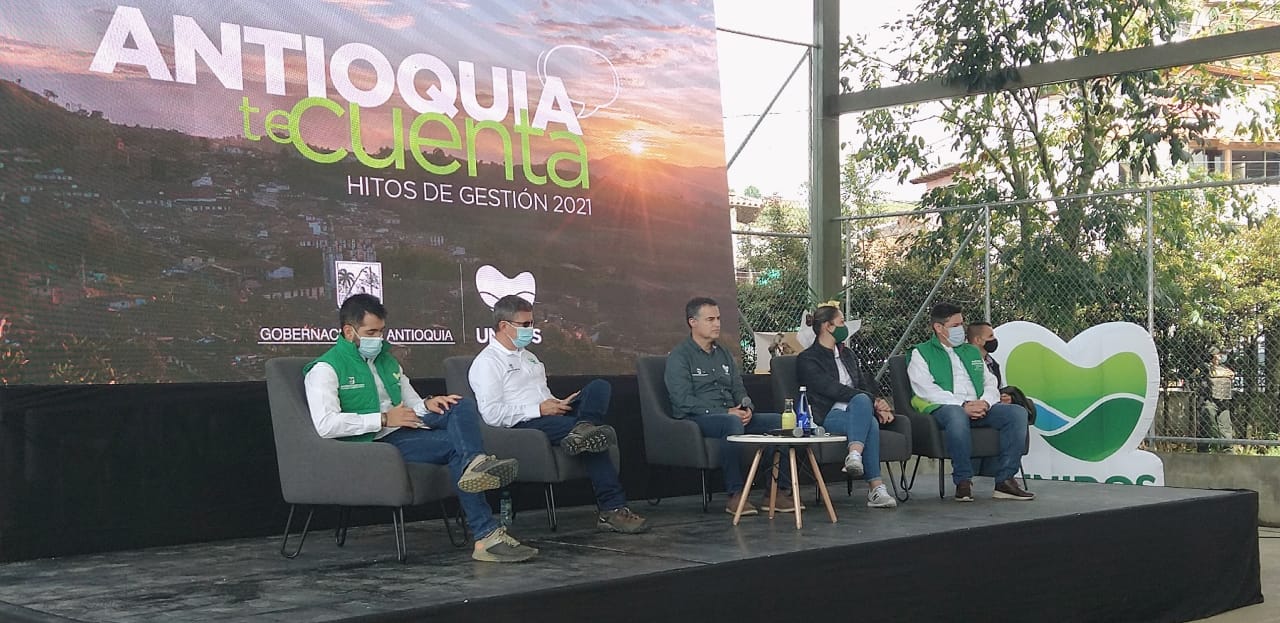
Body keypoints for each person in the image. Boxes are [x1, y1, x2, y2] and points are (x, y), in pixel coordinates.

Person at [304, 294, 538, 562]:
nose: (378, 339)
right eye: (371, 333)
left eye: (381, 331)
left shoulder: (387, 362)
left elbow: (413, 404)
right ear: (349, 332)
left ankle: (475, 464)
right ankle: (486, 536)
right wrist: (383, 419)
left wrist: (428, 404)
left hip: (407, 426)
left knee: (459, 405)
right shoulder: (325, 369)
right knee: (458, 450)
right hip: (375, 442)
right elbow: (326, 424)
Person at [469, 295, 648, 534]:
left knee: (599, 387)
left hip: (550, 414)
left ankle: (583, 427)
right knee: (594, 438)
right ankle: (612, 508)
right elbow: (492, 414)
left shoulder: (529, 357)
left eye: (532, 323)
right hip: (525, 426)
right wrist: (539, 409)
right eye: (525, 325)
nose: (531, 329)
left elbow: (541, 394)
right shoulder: (487, 362)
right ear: (504, 326)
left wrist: (558, 402)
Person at [665, 297, 797, 516]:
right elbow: (683, 400)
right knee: (731, 423)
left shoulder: (724, 354)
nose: (717, 324)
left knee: (779, 421)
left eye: (718, 318)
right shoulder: (680, 356)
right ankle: (735, 495)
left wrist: (747, 408)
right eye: (710, 319)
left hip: (731, 414)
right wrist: (726, 412)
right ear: (692, 322)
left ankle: (776, 492)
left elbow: (739, 389)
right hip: (696, 419)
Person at [906, 302, 1034, 502]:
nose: (961, 329)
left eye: (962, 324)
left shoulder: (971, 351)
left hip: (979, 406)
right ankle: (963, 481)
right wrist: (963, 405)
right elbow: (925, 389)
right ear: (938, 327)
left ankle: (1005, 481)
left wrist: (985, 402)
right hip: (944, 408)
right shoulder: (920, 353)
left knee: (1017, 413)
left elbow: (990, 382)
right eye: (955, 325)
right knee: (956, 415)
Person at [796, 304, 898, 508]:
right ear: (828, 326)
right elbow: (832, 389)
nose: (845, 327)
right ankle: (875, 488)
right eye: (841, 322)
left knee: (866, 413)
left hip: (858, 410)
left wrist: (876, 401)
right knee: (865, 409)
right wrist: (872, 401)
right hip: (828, 413)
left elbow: (863, 384)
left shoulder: (848, 354)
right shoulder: (808, 358)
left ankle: (855, 456)